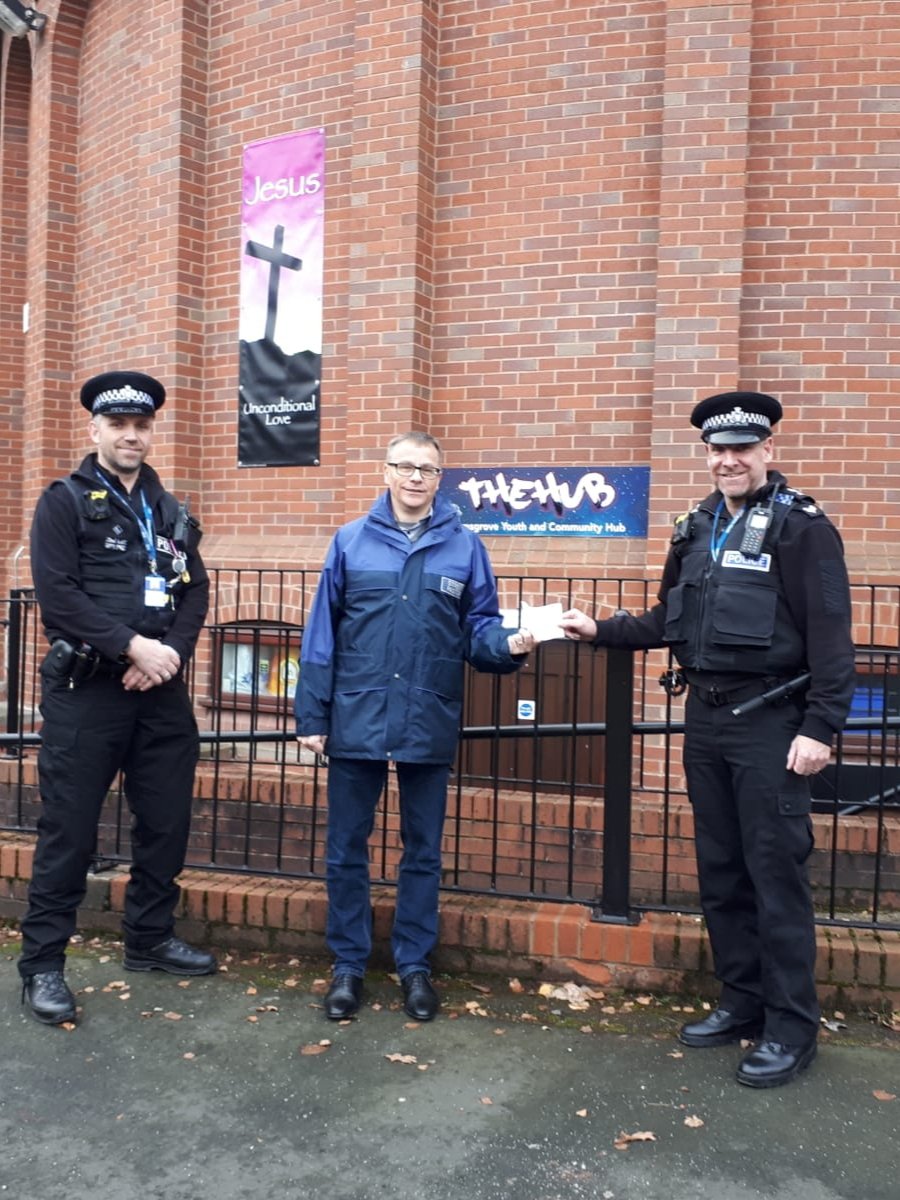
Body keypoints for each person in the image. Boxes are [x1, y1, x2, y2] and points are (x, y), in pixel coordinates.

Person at [560, 391, 855, 1088]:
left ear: (767, 452)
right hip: (708, 720)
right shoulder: (695, 526)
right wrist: (601, 630)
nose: (729, 461)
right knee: (721, 873)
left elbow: (833, 639)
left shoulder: (802, 528)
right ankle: (742, 1004)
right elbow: (671, 616)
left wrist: (822, 727)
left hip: (773, 725)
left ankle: (792, 1028)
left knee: (775, 877)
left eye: (742, 449)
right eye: (718, 451)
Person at [295, 432, 534, 1022]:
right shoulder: (350, 541)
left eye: (427, 469)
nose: (415, 477)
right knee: (347, 848)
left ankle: (414, 967)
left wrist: (512, 644)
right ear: (387, 471)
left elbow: (479, 629)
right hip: (357, 711)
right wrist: (311, 713)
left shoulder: (465, 547)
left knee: (422, 851)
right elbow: (321, 631)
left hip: (427, 711)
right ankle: (348, 966)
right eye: (405, 466)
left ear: (439, 478)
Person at [19, 370, 217, 1026]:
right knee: (69, 833)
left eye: (142, 425)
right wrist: (133, 647)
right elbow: (59, 596)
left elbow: (194, 592)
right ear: (95, 429)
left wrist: (169, 659)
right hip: (88, 695)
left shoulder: (170, 511)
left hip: (158, 694)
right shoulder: (63, 503)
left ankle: (149, 939)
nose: (132, 435)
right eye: (119, 425)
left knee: (165, 826)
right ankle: (43, 965)